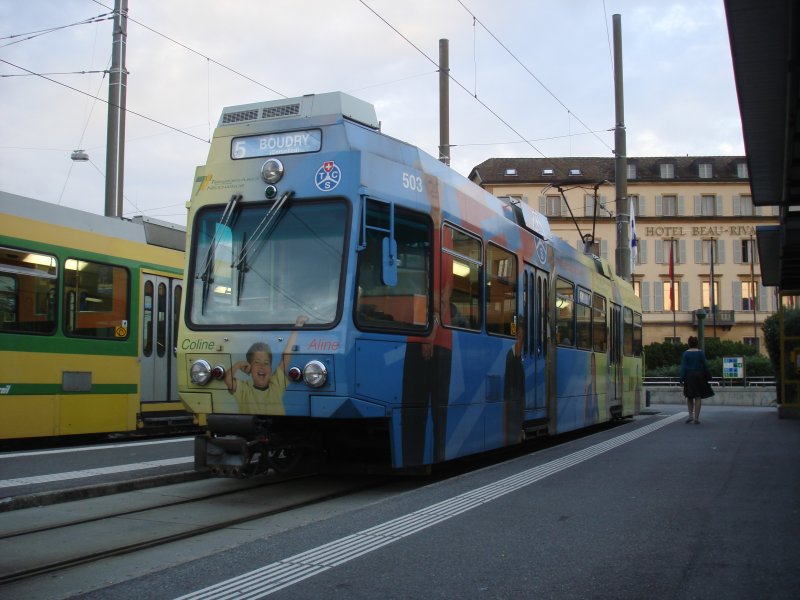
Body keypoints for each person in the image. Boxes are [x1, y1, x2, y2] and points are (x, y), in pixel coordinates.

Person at [225, 315, 307, 414]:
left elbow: (286, 357)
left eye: (266, 363)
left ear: (271, 368)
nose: (262, 366)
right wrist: (238, 364)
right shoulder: (244, 389)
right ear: (250, 367)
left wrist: (296, 329)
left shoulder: (276, 385)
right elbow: (227, 379)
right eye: (257, 362)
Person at [679, 336, 713, 424]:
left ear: (689, 344)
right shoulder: (701, 353)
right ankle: (696, 418)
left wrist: (681, 379)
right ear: (697, 343)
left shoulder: (685, 354)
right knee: (698, 396)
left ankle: (690, 415)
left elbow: (683, 367)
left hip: (689, 376)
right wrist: (708, 375)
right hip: (699, 376)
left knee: (689, 396)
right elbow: (705, 365)